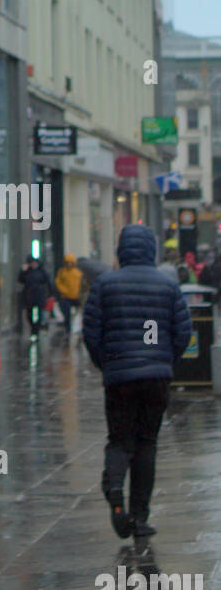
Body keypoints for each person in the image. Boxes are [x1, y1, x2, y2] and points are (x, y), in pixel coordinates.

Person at [82, 224, 192, 542]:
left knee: (119, 440)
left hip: (119, 377)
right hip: (156, 377)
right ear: (152, 250)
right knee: (147, 442)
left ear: (121, 250)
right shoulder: (168, 285)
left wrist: (107, 363)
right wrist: (165, 360)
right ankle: (139, 516)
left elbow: (92, 332)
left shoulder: (104, 284)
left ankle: (115, 491)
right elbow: (183, 331)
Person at [17, 254, 50, 339]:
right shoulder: (27, 271)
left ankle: (35, 331)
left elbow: (47, 281)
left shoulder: (41, 270)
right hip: (29, 296)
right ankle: (33, 328)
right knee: (29, 314)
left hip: (39, 295)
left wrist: (50, 294)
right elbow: (21, 280)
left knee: (38, 314)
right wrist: (23, 271)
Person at [54, 254, 82, 335]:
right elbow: (58, 283)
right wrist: (64, 291)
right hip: (65, 297)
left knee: (79, 314)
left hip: (76, 297)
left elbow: (81, 284)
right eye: (68, 262)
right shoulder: (62, 272)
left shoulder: (77, 273)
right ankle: (68, 330)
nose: (69, 264)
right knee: (67, 314)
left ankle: (77, 328)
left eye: (71, 262)